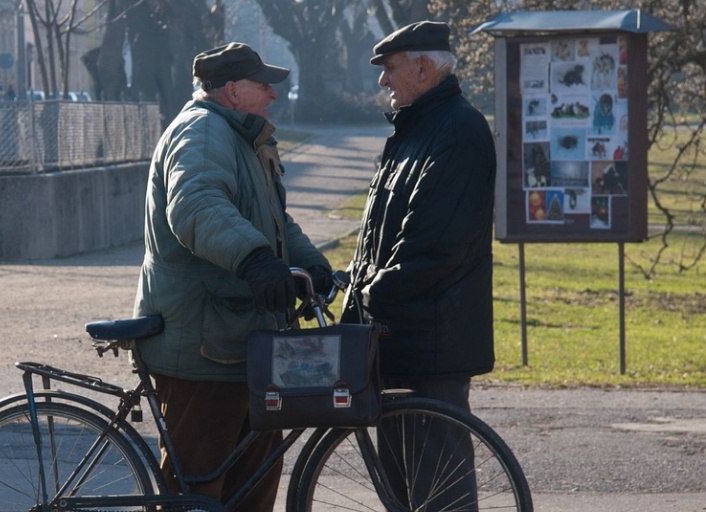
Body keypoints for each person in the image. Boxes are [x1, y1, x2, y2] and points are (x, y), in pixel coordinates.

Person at [132, 42, 332, 511]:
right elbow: (197, 207)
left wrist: (313, 265)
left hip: (242, 343)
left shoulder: (243, 137)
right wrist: (256, 261)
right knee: (197, 493)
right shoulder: (203, 132)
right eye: (263, 85)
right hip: (204, 348)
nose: (273, 94)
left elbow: (275, 221)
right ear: (231, 90)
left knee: (252, 487)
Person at [342, 21, 497, 509]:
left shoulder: (458, 131)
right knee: (403, 490)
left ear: (424, 68)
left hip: (432, 343)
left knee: (439, 493)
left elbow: (434, 245)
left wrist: (369, 293)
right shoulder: (416, 129)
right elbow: (382, 235)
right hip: (400, 337)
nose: (382, 80)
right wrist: (353, 283)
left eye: (390, 68)